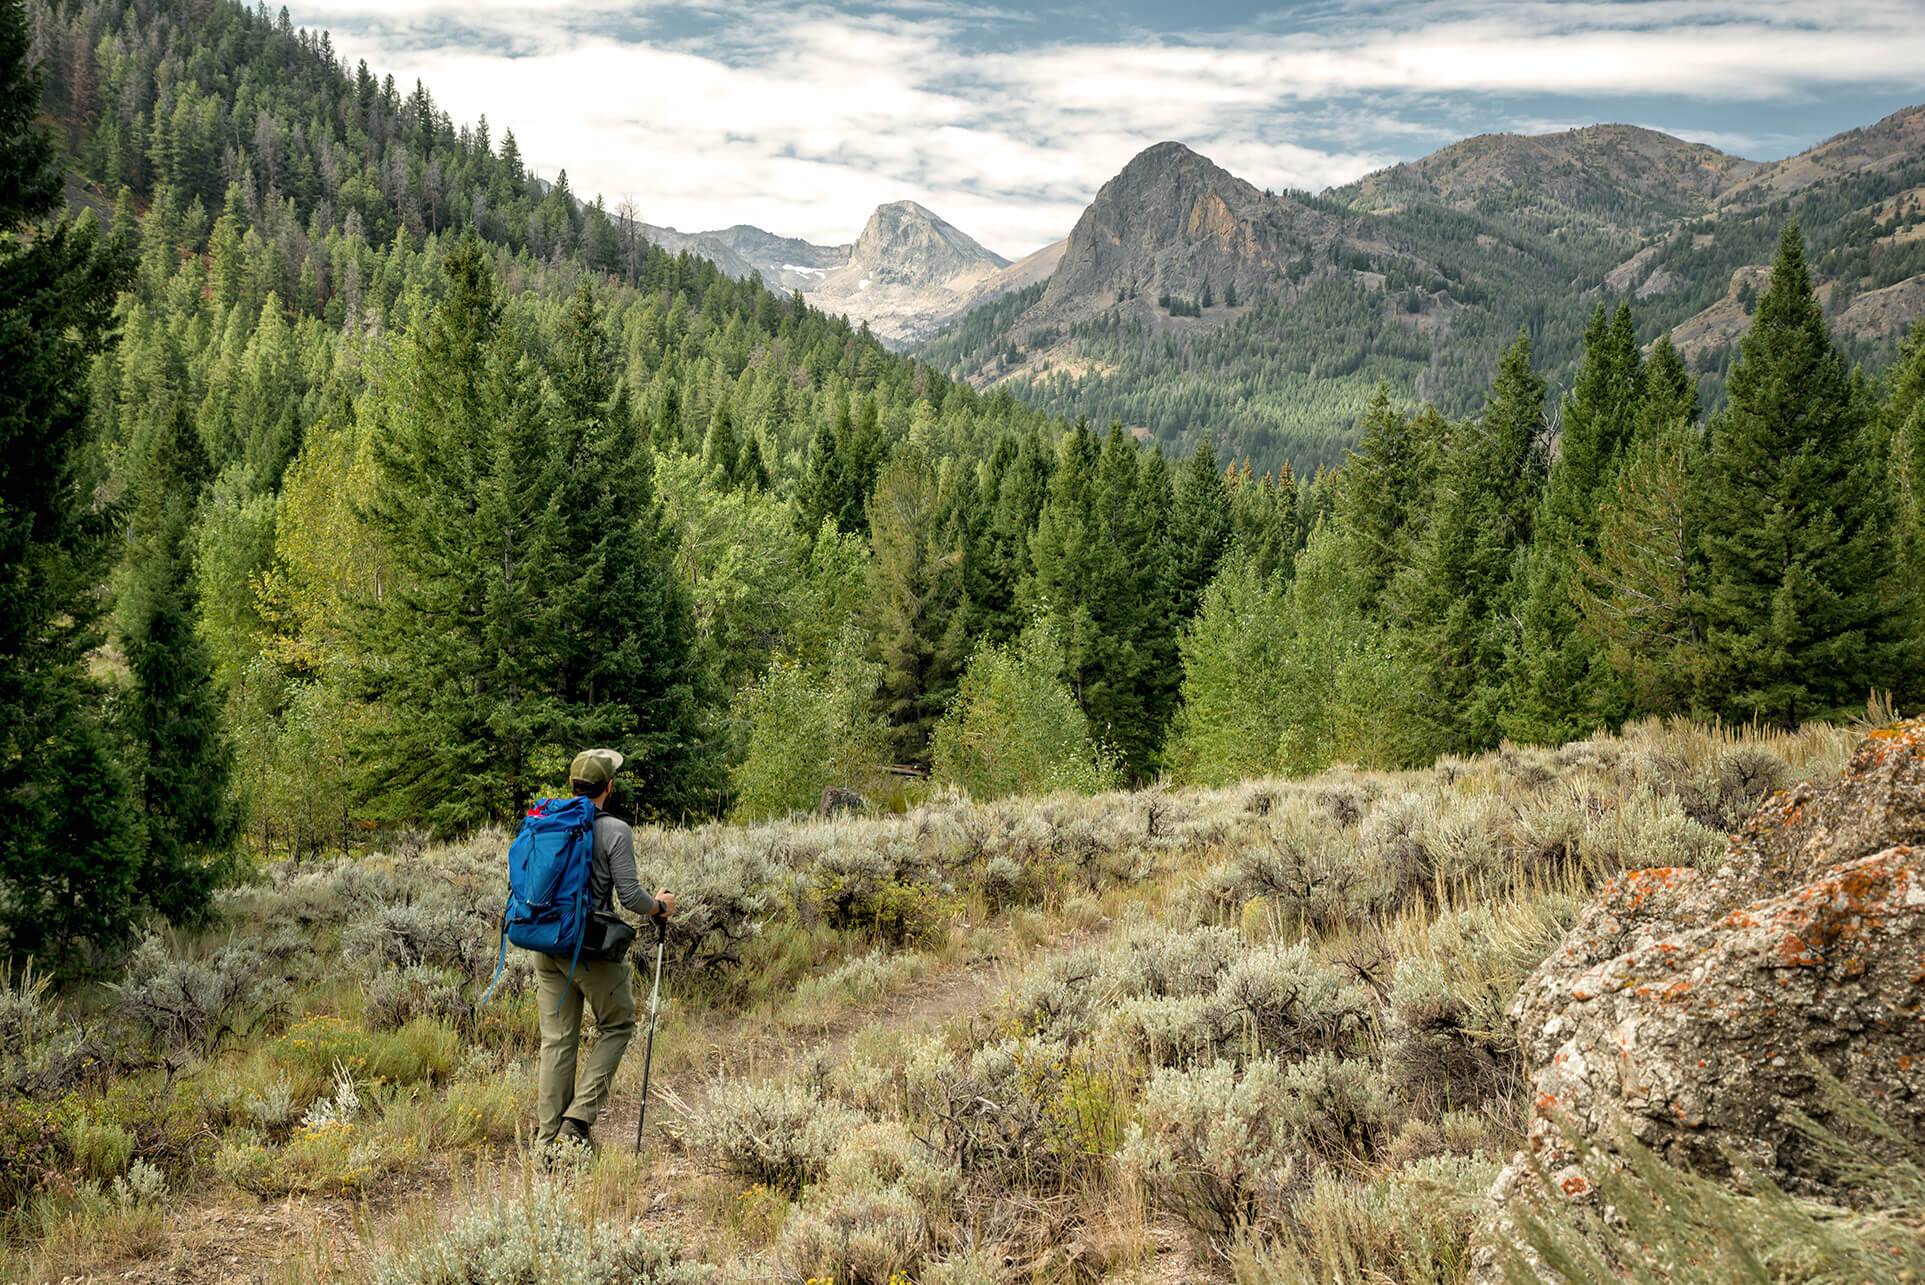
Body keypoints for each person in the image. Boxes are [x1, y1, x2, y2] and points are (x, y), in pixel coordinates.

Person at [532, 748, 674, 1149]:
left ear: (572, 786)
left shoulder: (548, 821)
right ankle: (576, 1123)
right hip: (587, 945)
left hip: (545, 943)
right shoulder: (615, 831)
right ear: (608, 788)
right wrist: (660, 906)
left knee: (558, 1040)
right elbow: (629, 896)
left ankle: (548, 1143)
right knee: (619, 1022)